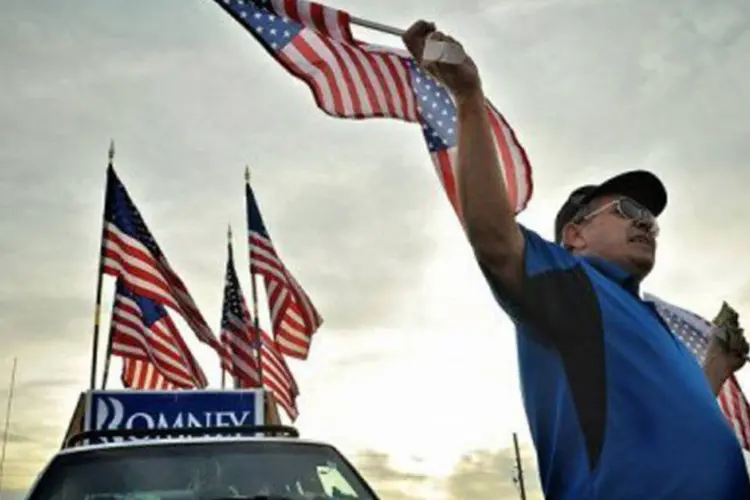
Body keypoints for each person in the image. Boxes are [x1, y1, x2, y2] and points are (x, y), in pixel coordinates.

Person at [401, 20, 750, 499]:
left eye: (650, 216)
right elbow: (493, 237)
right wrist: (468, 97)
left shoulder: (651, 321)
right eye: (627, 209)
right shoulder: (570, 288)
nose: (646, 222)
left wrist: (714, 367)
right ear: (575, 235)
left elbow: (668, 416)